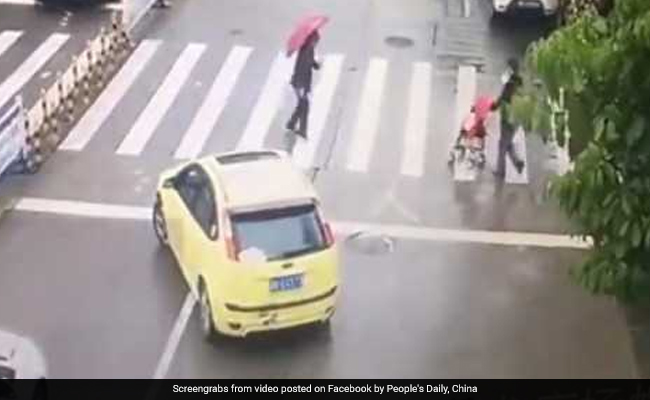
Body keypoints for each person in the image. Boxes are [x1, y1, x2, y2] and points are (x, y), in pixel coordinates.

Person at [285, 30, 321, 140]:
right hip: (300, 83)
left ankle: (291, 123)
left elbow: (311, 63)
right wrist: (302, 88)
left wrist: (317, 65)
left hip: (302, 83)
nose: (316, 43)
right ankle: (302, 130)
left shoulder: (309, 49)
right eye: (316, 40)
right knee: (304, 106)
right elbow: (302, 69)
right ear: (312, 40)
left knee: (302, 105)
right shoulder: (306, 51)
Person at [494, 58, 525, 178]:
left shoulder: (510, 83)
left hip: (508, 118)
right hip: (517, 117)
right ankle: (517, 162)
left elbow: (503, 98)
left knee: (502, 144)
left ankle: (500, 171)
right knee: (507, 142)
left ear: (511, 68)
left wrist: (494, 106)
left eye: (508, 67)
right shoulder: (520, 82)